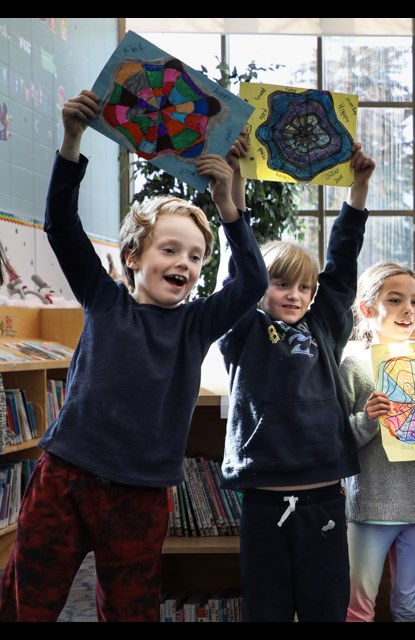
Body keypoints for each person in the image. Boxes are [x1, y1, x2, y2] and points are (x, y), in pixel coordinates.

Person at [0, 89, 268, 621]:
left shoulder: (196, 324)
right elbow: (60, 224)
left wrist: (228, 205)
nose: (185, 264)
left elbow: (253, 280)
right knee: (26, 600)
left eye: (196, 256)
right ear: (132, 257)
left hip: (141, 494)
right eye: (170, 250)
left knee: (129, 610)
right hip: (67, 478)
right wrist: (73, 138)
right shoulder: (104, 299)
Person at [217, 142, 376, 622]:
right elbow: (239, 264)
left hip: (323, 491)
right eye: (282, 284)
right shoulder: (242, 324)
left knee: (325, 607)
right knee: (266, 609)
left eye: (304, 287)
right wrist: (236, 182)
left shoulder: (323, 322)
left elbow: (342, 267)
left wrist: (359, 189)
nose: (296, 294)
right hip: (264, 496)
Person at [340, 261, 415, 622]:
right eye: (395, 300)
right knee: (358, 606)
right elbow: (336, 439)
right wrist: (368, 418)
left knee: (410, 605)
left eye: (414, 300)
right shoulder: (354, 364)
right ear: (366, 308)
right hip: (370, 507)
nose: (408, 309)